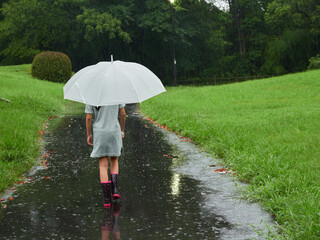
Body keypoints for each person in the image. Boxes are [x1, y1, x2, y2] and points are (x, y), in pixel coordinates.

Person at [85, 104, 126, 208]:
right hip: (114, 131)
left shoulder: (91, 95)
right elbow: (123, 113)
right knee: (114, 158)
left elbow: (89, 117)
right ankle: (115, 189)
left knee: (103, 165)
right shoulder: (117, 92)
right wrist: (122, 130)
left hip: (100, 133)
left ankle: (107, 200)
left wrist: (89, 134)